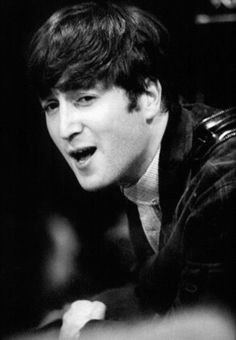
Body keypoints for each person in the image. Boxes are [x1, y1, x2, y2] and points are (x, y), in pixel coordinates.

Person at [27, 0, 236, 337]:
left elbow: (207, 330)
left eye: (84, 98)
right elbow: (155, 291)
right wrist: (85, 311)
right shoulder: (140, 158)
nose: (65, 127)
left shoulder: (225, 178)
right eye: (52, 105)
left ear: (148, 96)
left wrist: (87, 331)